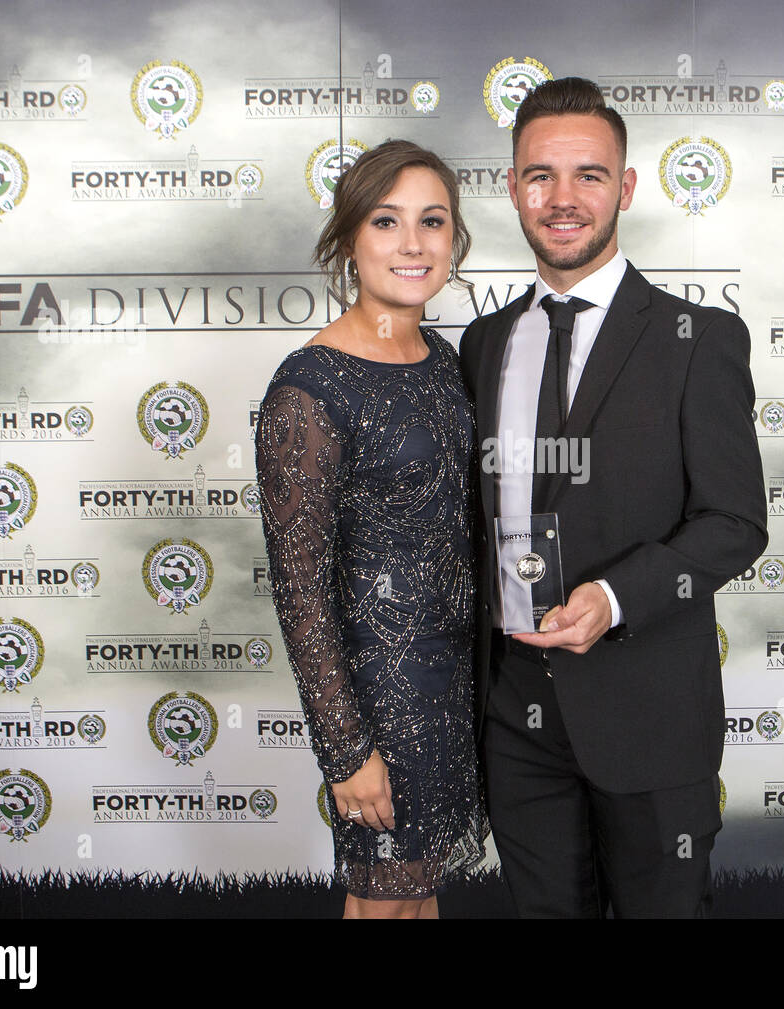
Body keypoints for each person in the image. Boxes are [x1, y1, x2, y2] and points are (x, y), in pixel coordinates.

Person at [459, 77, 768, 917]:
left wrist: (612, 596)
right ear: (512, 187)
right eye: (540, 176)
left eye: (589, 175)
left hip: (651, 715)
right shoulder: (485, 342)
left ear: (625, 188)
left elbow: (735, 524)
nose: (563, 200)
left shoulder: (697, 340)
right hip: (516, 718)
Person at [254, 140, 487, 919]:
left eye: (433, 221)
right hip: (379, 700)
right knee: (382, 905)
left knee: (418, 903)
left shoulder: (446, 361)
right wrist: (346, 748)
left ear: (454, 238)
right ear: (350, 239)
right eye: (387, 222)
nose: (413, 244)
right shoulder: (309, 386)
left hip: (454, 687)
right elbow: (299, 588)